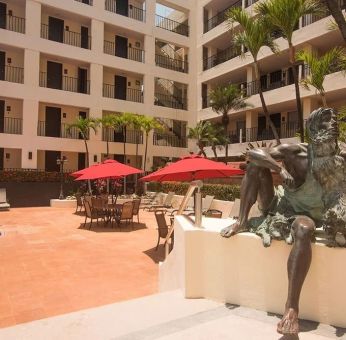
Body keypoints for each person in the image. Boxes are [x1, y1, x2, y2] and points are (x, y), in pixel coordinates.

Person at [220, 107, 346, 335]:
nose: (334, 126)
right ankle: (242, 221)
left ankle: (291, 307)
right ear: (314, 132)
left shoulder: (341, 156)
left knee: (308, 228)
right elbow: (255, 153)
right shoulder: (296, 153)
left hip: (318, 215)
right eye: (327, 124)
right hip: (287, 208)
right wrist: (279, 168)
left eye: (335, 124)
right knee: (255, 166)